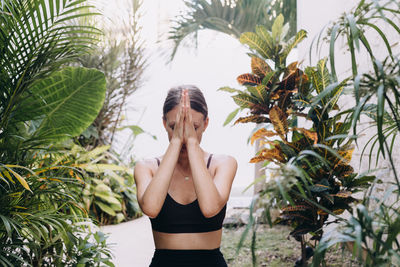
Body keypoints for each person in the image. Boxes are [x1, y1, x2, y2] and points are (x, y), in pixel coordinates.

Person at [134, 85, 237, 267]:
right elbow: (150, 208)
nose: (183, 134)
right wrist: (175, 142)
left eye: (194, 127)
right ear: (164, 123)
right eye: (174, 127)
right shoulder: (147, 167)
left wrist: (192, 143)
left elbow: (210, 207)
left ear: (205, 124)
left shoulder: (223, 163)